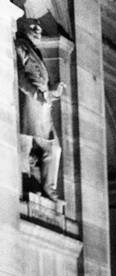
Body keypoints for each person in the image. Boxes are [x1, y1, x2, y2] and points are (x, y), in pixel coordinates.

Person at [16, 20, 65, 202]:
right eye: (34, 27)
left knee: (54, 148)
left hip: (42, 106)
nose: (39, 31)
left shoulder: (34, 50)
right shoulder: (20, 46)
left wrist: (53, 92)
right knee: (25, 144)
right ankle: (24, 183)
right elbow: (19, 75)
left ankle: (48, 187)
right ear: (23, 27)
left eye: (40, 28)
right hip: (29, 102)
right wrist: (38, 94)